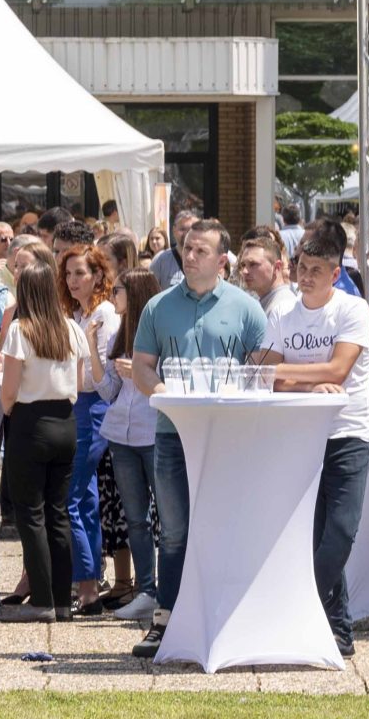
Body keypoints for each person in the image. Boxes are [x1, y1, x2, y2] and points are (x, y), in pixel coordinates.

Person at [129, 221, 268, 660]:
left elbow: (262, 370)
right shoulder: (158, 306)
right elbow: (141, 365)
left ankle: (228, 618)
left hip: (229, 437)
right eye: (187, 248)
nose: (189, 256)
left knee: (226, 527)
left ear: (222, 260)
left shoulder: (246, 308)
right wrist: (162, 392)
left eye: (200, 250)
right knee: (173, 532)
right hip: (173, 434)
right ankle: (165, 621)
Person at [260, 220, 369, 657]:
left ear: (335, 273)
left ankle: (296, 608)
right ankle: (338, 629)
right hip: (301, 434)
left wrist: (286, 373)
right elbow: (265, 376)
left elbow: (338, 371)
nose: (304, 277)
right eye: (301, 268)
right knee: (316, 534)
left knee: (341, 531)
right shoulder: (282, 314)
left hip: (348, 432)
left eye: (315, 270)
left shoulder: (352, 309)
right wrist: (307, 381)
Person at [0, 262, 88, 621]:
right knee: (57, 512)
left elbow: (9, 389)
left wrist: (9, 410)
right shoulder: (71, 328)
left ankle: (42, 600)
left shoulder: (20, 330)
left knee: (30, 514)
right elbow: (79, 383)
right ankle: (62, 600)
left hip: (30, 422)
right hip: (65, 422)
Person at [98, 269, 164, 623]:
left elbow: (166, 384)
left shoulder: (160, 334)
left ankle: (166, 590)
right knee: (135, 518)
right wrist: (95, 358)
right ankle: (146, 591)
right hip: (120, 435)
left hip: (152, 432)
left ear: (135, 293)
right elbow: (108, 392)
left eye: (117, 290)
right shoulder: (118, 334)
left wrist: (139, 373)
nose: (112, 296)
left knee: (166, 517)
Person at [60, 243, 117, 615]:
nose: (72, 280)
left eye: (80, 273)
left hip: (92, 407)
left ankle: (86, 588)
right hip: (77, 405)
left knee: (73, 497)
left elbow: (101, 378)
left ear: (97, 275)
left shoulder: (103, 313)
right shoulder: (79, 314)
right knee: (86, 499)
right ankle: (89, 584)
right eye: (68, 274)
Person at [236, 235, 293, 323]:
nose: (244, 271)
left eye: (253, 264)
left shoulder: (284, 306)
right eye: (243, 265)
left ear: (277, 267)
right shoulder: (268, 302)